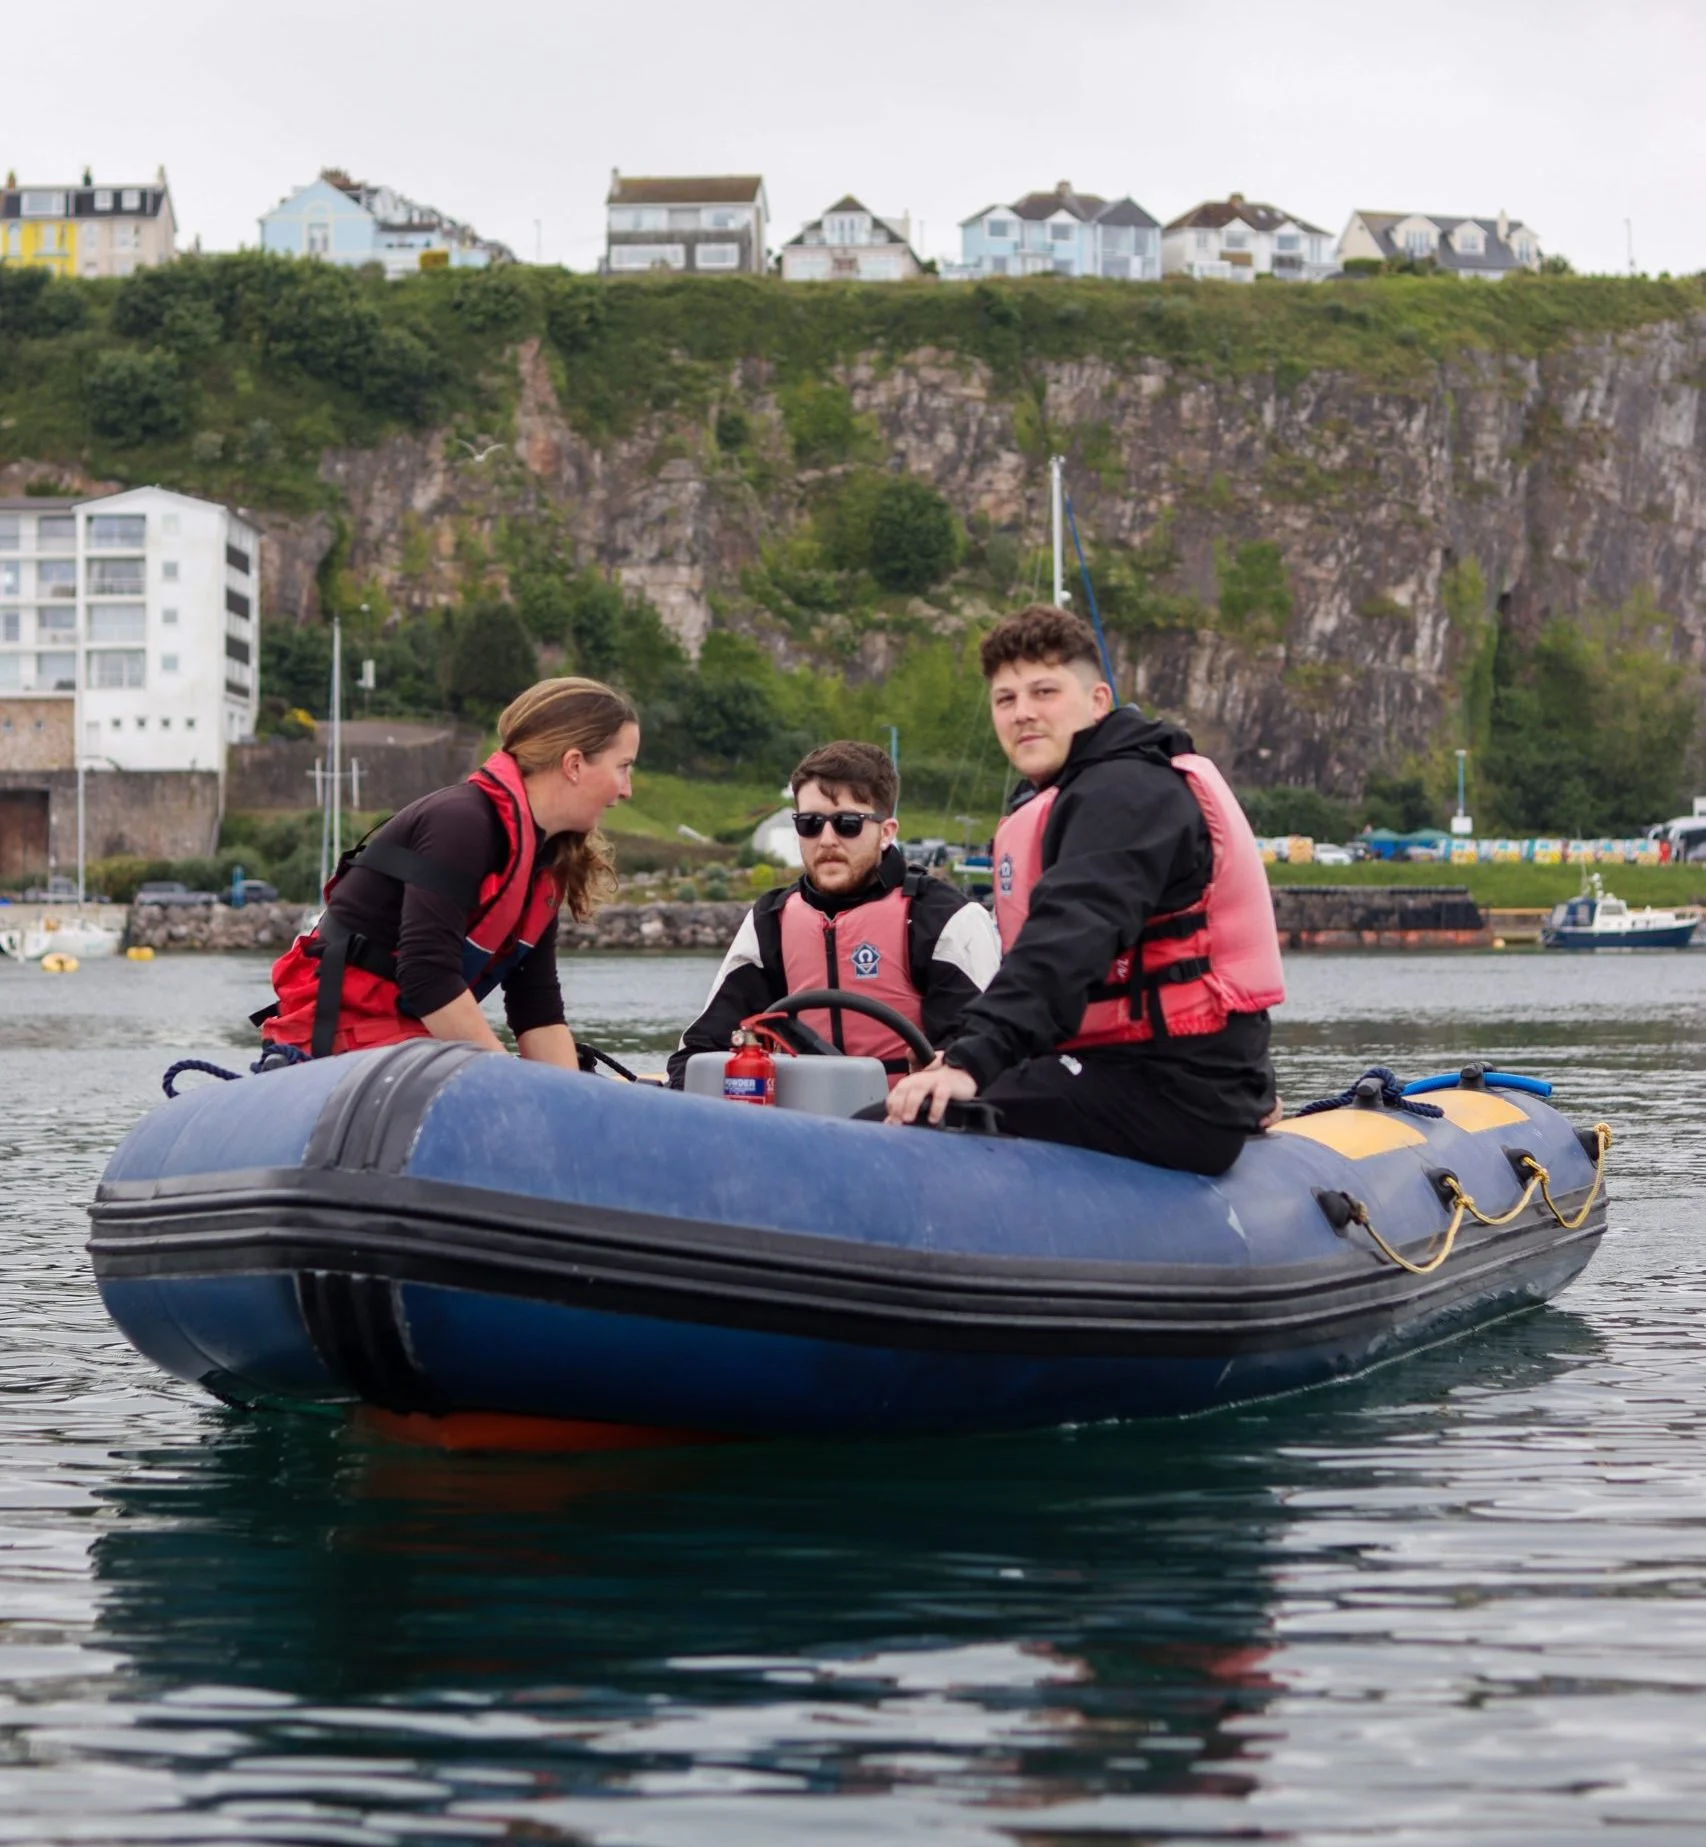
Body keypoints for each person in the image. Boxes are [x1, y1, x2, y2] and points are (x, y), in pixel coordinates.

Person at [885, 607, 1283, 1174]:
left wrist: (973, 1060)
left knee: (894, 1126)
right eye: (1006, 699)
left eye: (1044, 691)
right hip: (1137, 1073)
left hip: (1170, 1097)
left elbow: (1069, 938)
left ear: (1097, 701)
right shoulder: (1092, 790)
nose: (1023, 713)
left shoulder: (1125, 792)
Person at [258, 676, 639, 1066]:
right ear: (574, 764)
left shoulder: (545, 865)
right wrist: (516, 1085)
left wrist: (567, 1103)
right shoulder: (461, 824)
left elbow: (537, 1009)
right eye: (623, 767)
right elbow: (427, 975)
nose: (627, 789)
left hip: (408, 1038)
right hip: (337, 1039)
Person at [667, 740, 1000, 1089]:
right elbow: (699, 1052)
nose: (826, 840)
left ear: (886, 833)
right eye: (810, 823)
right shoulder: (770, 921)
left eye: (847, 824)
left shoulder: (945, 919)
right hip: (798, 1127)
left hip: (911, 1125)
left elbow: (981, 1054)